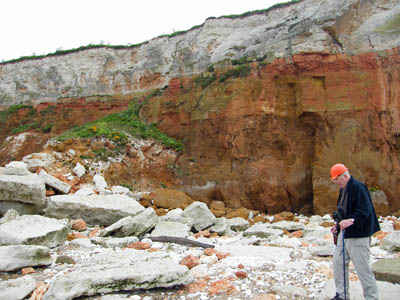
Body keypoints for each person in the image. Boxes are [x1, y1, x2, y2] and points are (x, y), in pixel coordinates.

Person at [329, 163, 381, 300]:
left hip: (359, 236)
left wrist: (351, 220)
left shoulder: (358, 187)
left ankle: (372, 297)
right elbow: (341, 212)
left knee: (363, 269)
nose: (336, 183)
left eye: (337, 180)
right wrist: (338, 226)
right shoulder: (343, 189)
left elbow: (365, 211)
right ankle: (341, 295)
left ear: (344, 176)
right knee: (338, 263)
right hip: (344, 234)